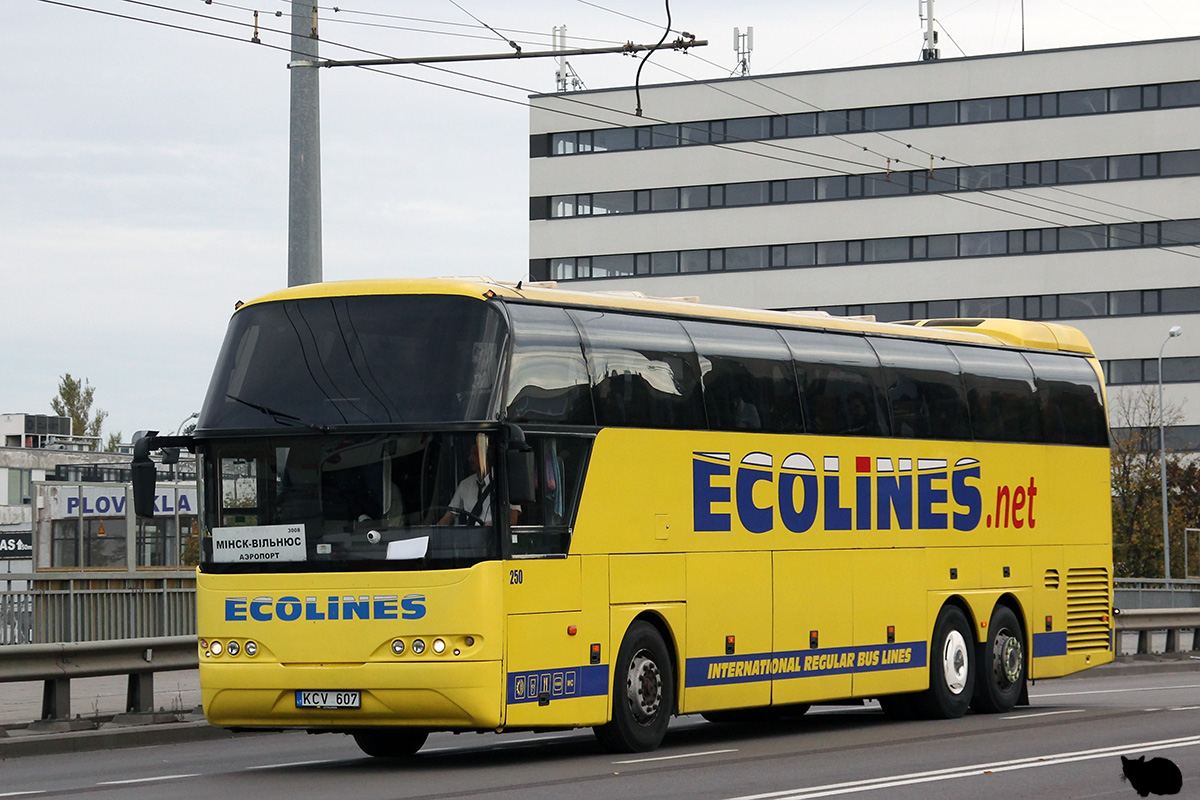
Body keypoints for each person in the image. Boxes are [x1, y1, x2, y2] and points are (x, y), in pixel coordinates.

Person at [438, 437, 518, 526]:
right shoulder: (465, 485)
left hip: (495, 537)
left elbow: (513, 519)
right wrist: (436, 528)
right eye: (470, 454)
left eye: (475, 454)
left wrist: (494, 525)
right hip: (471, 537)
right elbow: (450, 515)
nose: (470, 458)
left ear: (488, 457)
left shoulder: (505, 483)